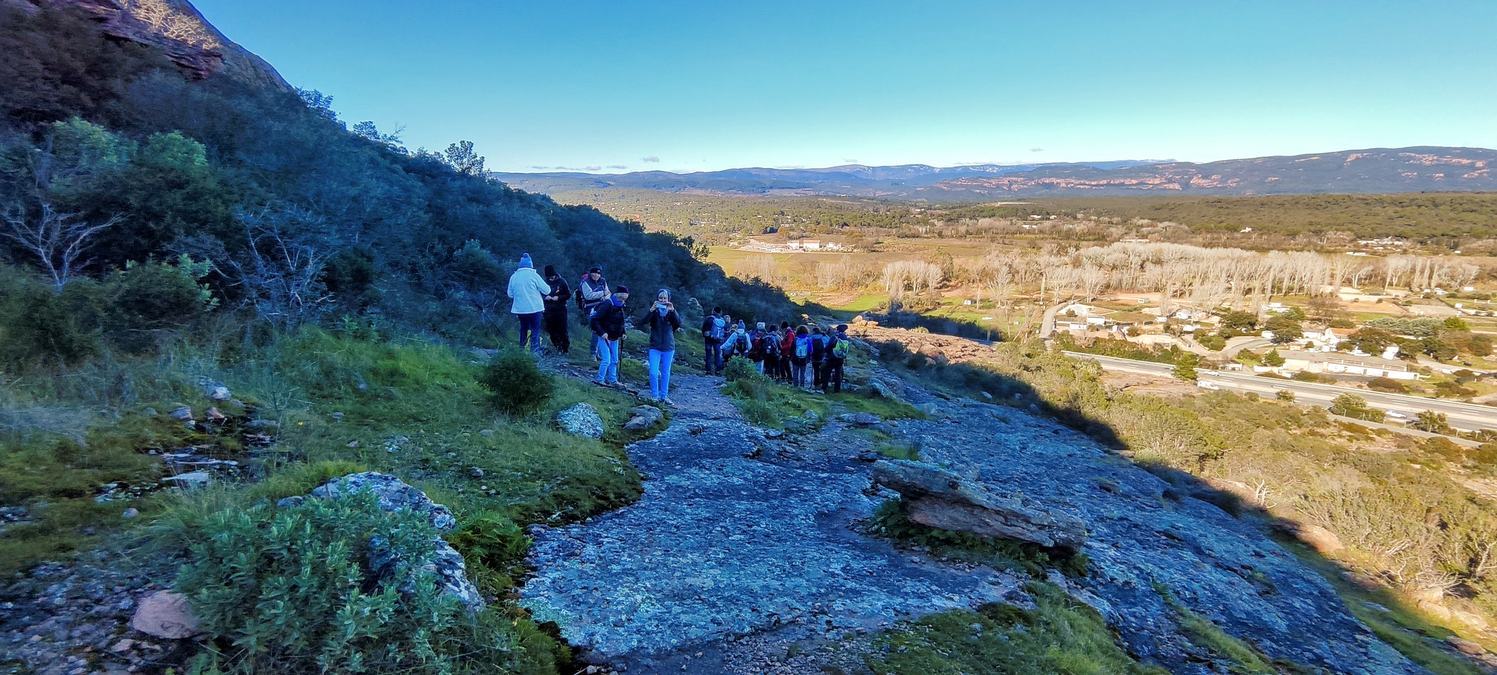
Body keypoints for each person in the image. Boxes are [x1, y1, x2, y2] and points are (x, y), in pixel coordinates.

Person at [506, 253, 551, 354]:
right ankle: (534, 353)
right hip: (535, 309)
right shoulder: (533, 275)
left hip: (520, 310)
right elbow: (547, 290)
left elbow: (510, 294)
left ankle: (522, 351)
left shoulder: (514, 276)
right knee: (535, 330)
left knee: (523, 329)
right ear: (531, 264)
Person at [644, 289, 681, 403]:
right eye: (661, 298)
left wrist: (673, 311)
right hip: (654, 346)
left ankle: (663, 396)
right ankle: (654, 395)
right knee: (653, 372)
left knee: (666, 372)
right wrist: (651, 310)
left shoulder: (671, 312)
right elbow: (643, 321)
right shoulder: (654, 312)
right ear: (657, 298)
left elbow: (678, 323)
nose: (663, 300)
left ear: (668, 299)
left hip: (668, 347)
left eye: (665, 298)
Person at [590, 285, 629, 386]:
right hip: (605, 336)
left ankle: (612, 380)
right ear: (617, 295)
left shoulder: (621, 305)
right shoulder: (607, 304)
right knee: (606, 360)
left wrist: (623, 333)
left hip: (614, 337)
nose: (622, 300)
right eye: (621, 298)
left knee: (615, 360)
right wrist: (602, 332)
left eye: (624, 298)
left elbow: (621, 322)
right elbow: (595, 319)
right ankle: (599, 379)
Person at [577, 266, 610, 358]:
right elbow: (588, 295)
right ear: (590, 273)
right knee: (596, 330)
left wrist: (605, 297)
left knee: (603, 330)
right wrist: (602, 293)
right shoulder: (585, 283)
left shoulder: (603, 281)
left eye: (598, 273)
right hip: (591, 308)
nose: (596, 275)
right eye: (594, 273)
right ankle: (593, 353)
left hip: (603, 307)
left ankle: (600, 352)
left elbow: (608, 293)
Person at [541, 265, 571, 354]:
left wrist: (558, 298)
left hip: (561, 309)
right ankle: (558, 347)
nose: (551, 278)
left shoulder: (562, 282)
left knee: (562, 330)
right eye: (549, 277)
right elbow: (540, 294)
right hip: (548, 310)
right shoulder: (544, 282)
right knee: (551, 330)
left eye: (552, 276)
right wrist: (545, 297)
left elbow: (568, 294)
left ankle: (565, 349)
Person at [824, 324, 849, 393]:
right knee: (838, 374)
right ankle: (837, 390)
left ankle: (824, 388)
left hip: (832, 357)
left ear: (837, 329)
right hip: (841, 358)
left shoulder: (834, 337)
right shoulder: (845, 337)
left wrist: (825, 351)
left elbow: (829, 346)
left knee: (827, 372)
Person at [701, 307, 727, 375]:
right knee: (717, 355)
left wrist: (704, 335)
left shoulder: (709, 318)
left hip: (708, 339)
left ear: (713, 311)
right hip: (718, 340)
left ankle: (708, 370)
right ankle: (717, 371)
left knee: (708, 354)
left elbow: (703, 328)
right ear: (720, 312)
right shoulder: (722, 320)